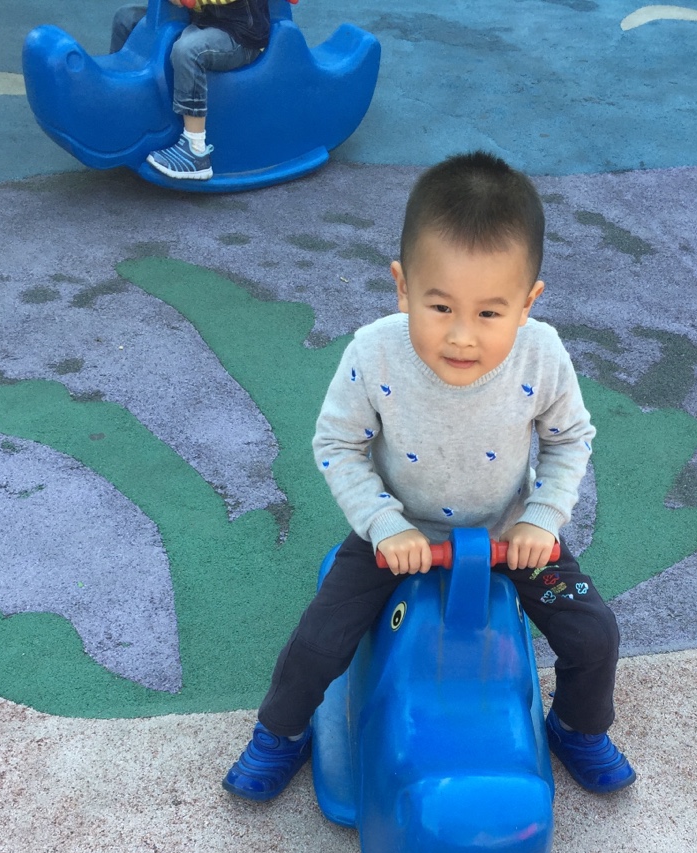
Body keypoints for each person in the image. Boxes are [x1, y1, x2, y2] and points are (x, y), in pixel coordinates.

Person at [223, 151, 636, 801]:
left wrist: (542, 519)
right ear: (403, 287)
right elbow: (338, 444)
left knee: (594, 634)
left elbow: (568, 441)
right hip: (399, 535)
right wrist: (383, 524)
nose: (462, 337)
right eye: (439, 306)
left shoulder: (543, 355)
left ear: (528, 303)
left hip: (511, 537)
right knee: (319, 639)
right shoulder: (374, 353)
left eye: (490, 313)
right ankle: (281, 732)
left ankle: (578, 728)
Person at [110, 0, 270, 180]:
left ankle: (195, 150)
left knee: (188, 51)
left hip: (239, 35)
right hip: (200, 19)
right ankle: (124, 113)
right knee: (126, 18)